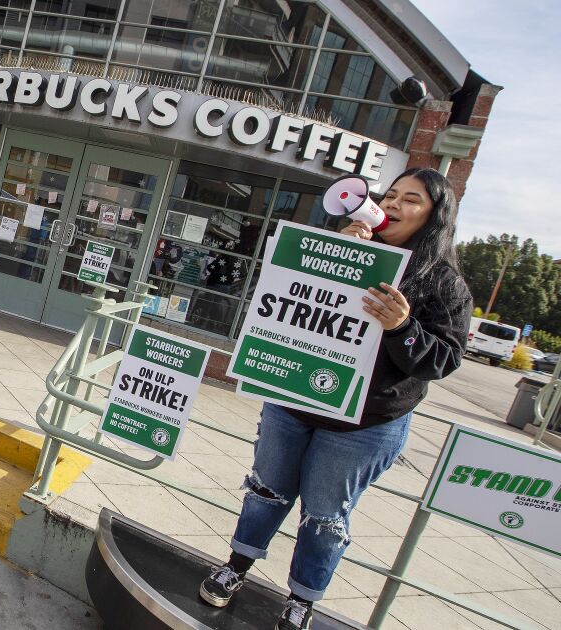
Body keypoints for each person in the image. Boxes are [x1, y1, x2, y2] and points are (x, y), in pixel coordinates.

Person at [197, 168, 472, 629]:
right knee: (265, 492)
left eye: (411, 200)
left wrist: (402, 328)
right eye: (391, 195)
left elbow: (441, 360)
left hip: (363, 427)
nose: (394, 205)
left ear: (434, 217)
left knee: (325, 517)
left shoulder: (444, 284)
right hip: (294, 405)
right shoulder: (348, 246)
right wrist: (338, 255)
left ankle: (302, 599)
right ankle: (236, 567)